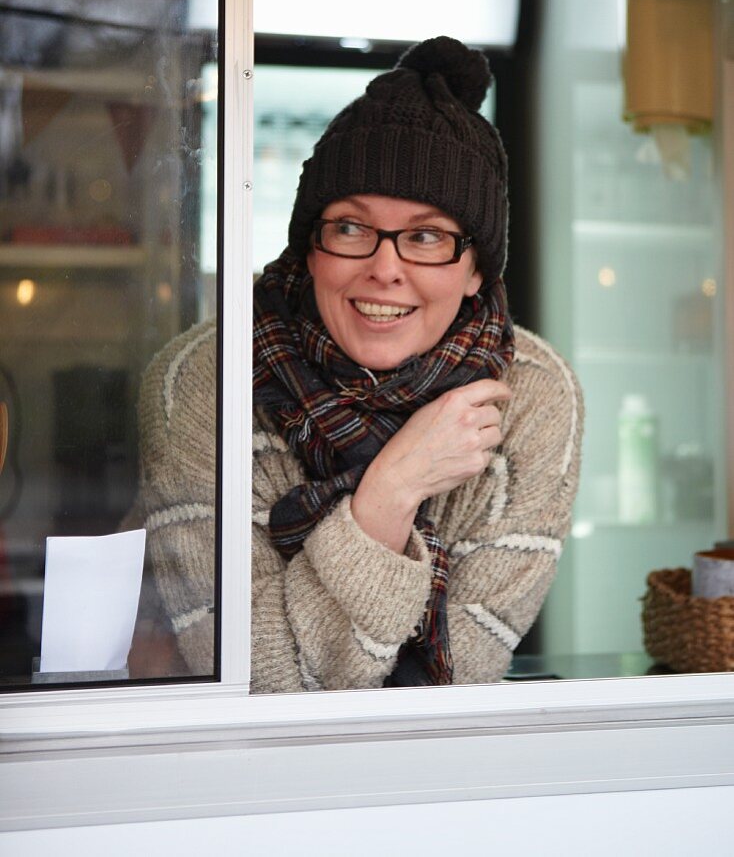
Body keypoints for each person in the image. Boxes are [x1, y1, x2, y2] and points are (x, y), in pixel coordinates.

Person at [131, 36, 583, 691]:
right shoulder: (205, 380)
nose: (384, 269)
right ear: (309, 247)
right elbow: (264, 691)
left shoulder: (533, 394)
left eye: (426, 236)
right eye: (350, 227)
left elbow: (458, 690)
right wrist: (394, 488)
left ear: (476, 270)